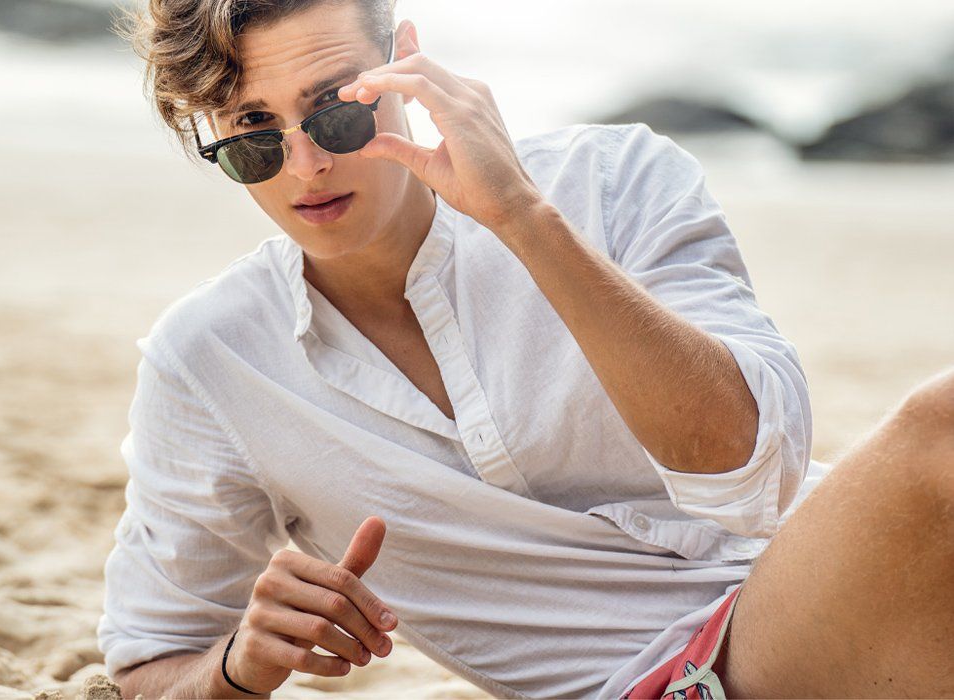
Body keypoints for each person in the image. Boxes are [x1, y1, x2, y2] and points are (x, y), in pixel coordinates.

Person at [98, 0, 954, 697]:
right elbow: (150, 660)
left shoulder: (612, 179)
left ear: (405, 61)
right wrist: (240, 667)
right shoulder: (211, 361)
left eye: (334, 109)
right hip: (676, 679)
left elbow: (753, 477)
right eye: (253, 133)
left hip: (842, 601)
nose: (308, 164)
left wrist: (521, 218)